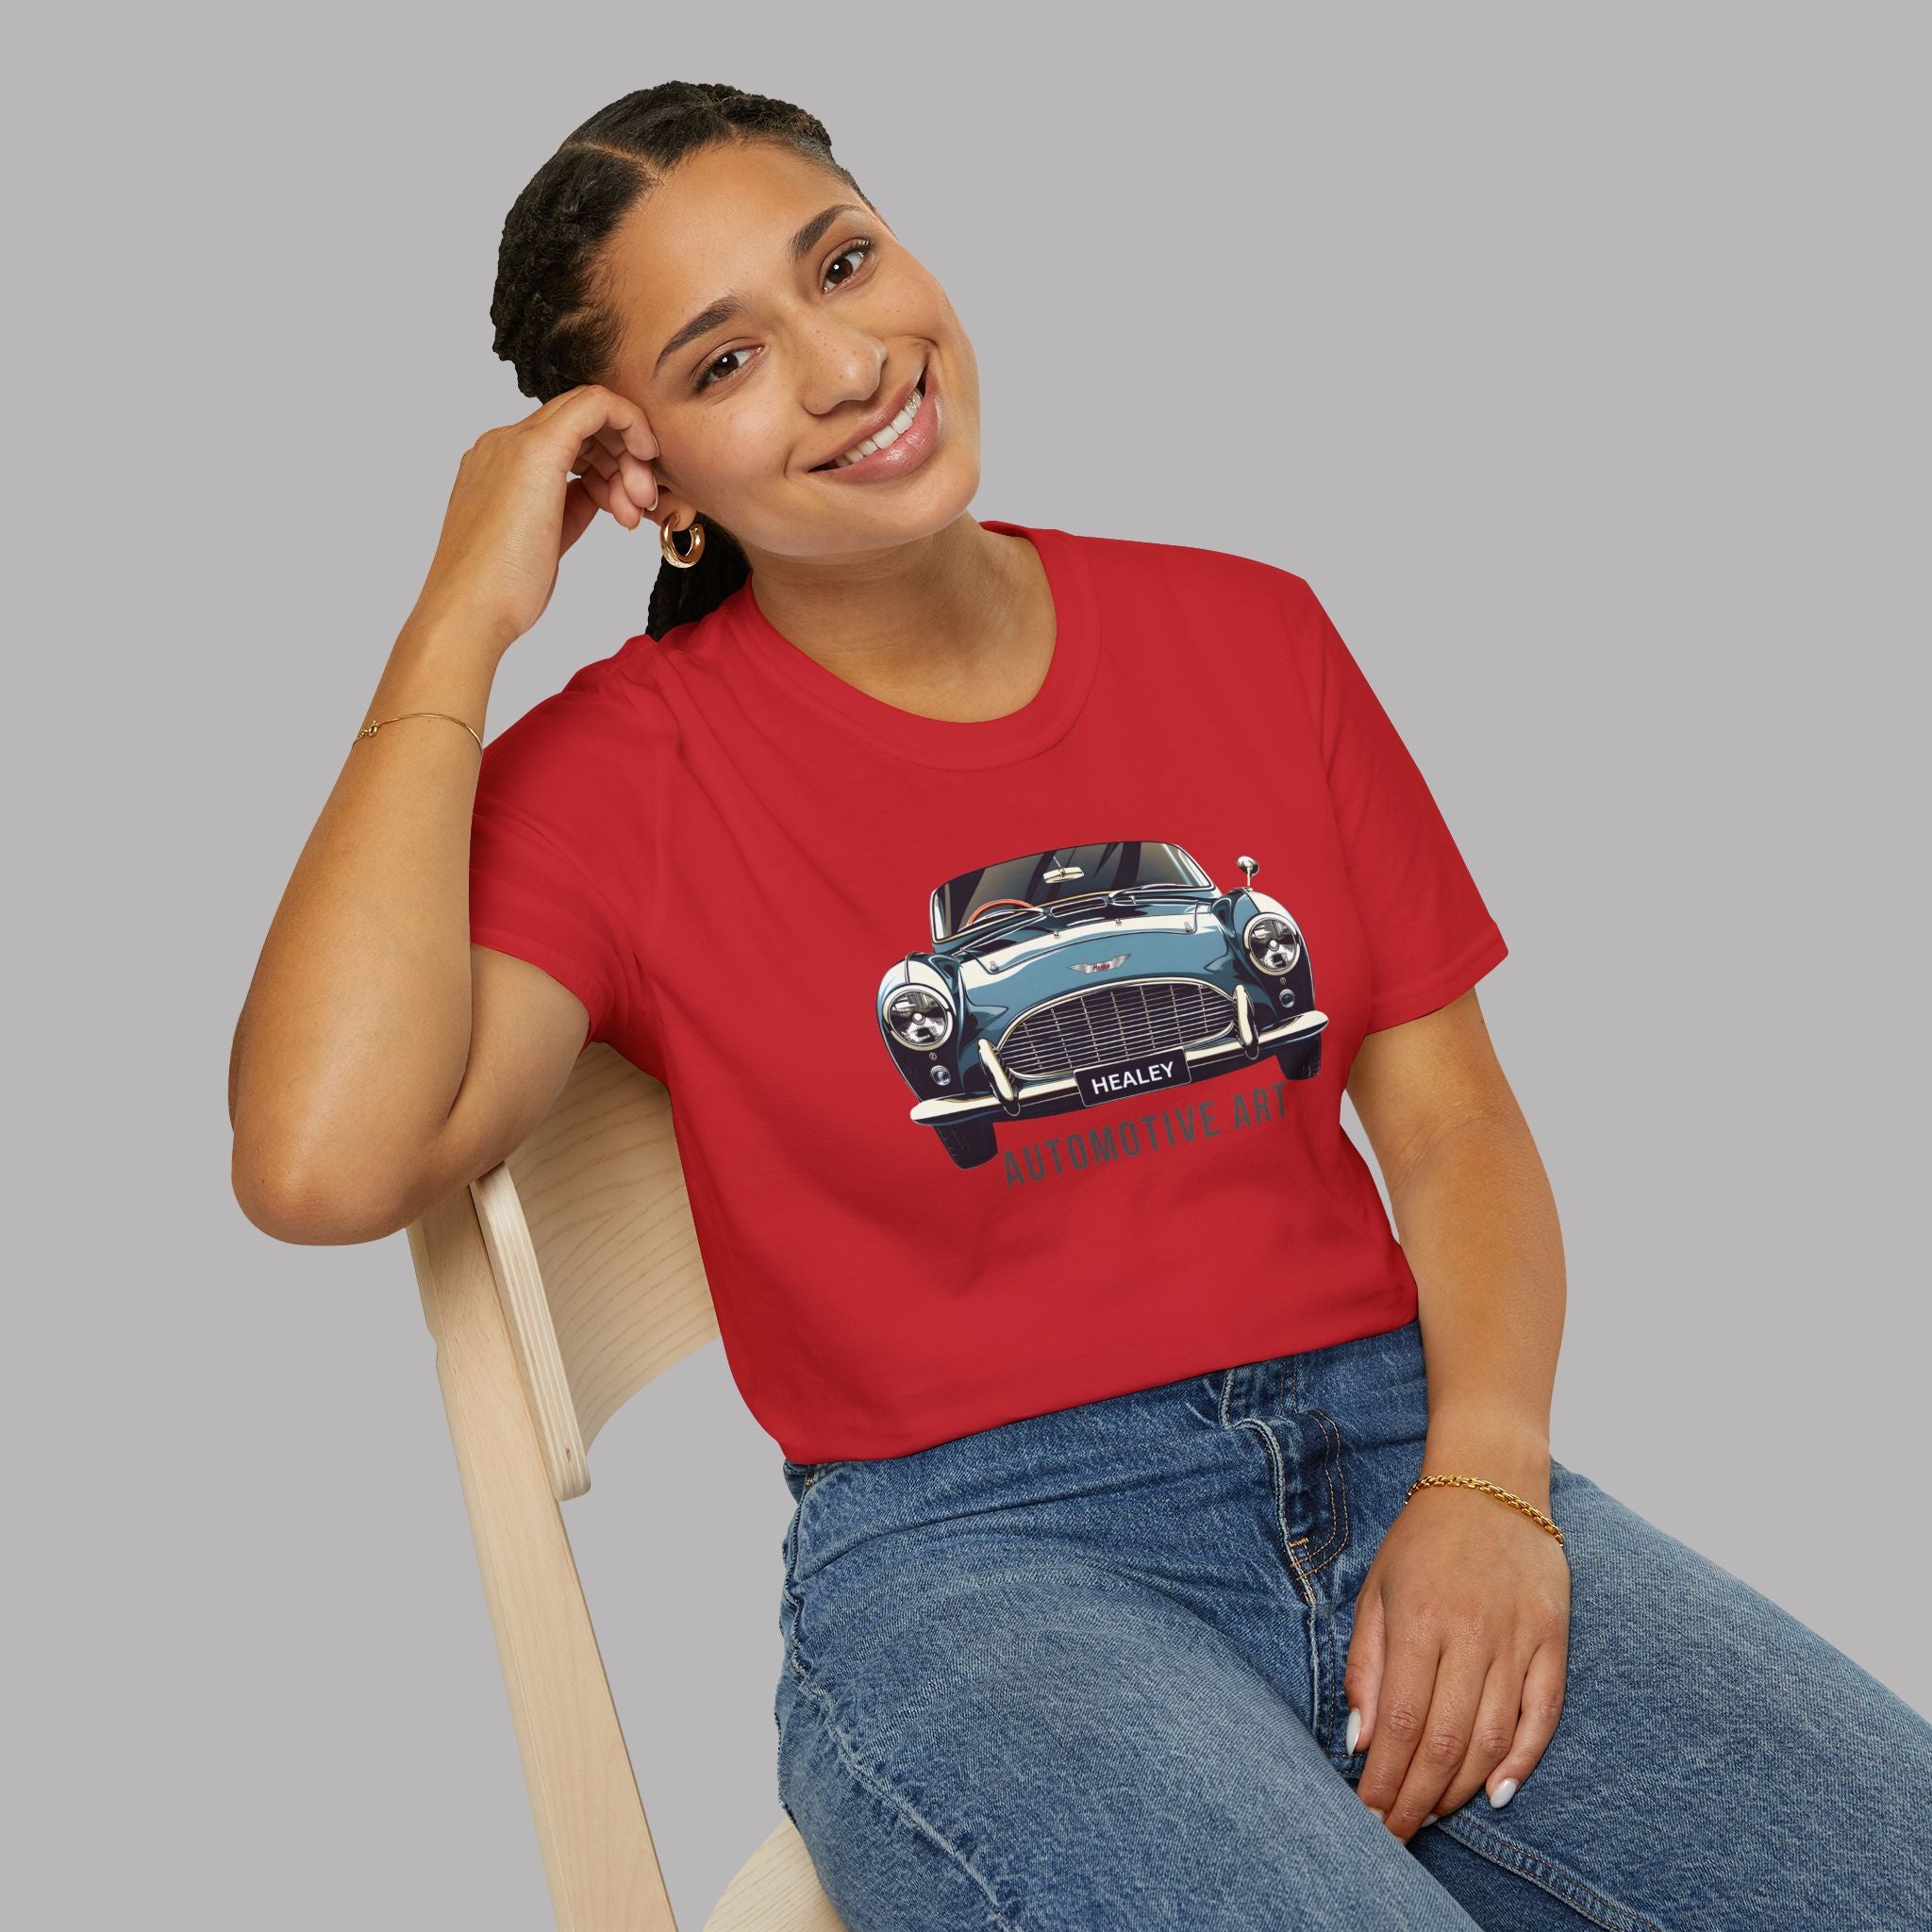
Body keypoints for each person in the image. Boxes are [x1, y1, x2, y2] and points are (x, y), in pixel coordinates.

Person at [228, 80, 1932, 1931]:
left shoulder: (1251, 633)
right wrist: (455, 618)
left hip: (1400, 1449)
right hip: (982, 1567)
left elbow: (1449, 1126)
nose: (846, 361)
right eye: (725, 362)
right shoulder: (625, 770)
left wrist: (1491, 1484)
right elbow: (320, 1159)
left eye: (846, 262)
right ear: (645, 479)